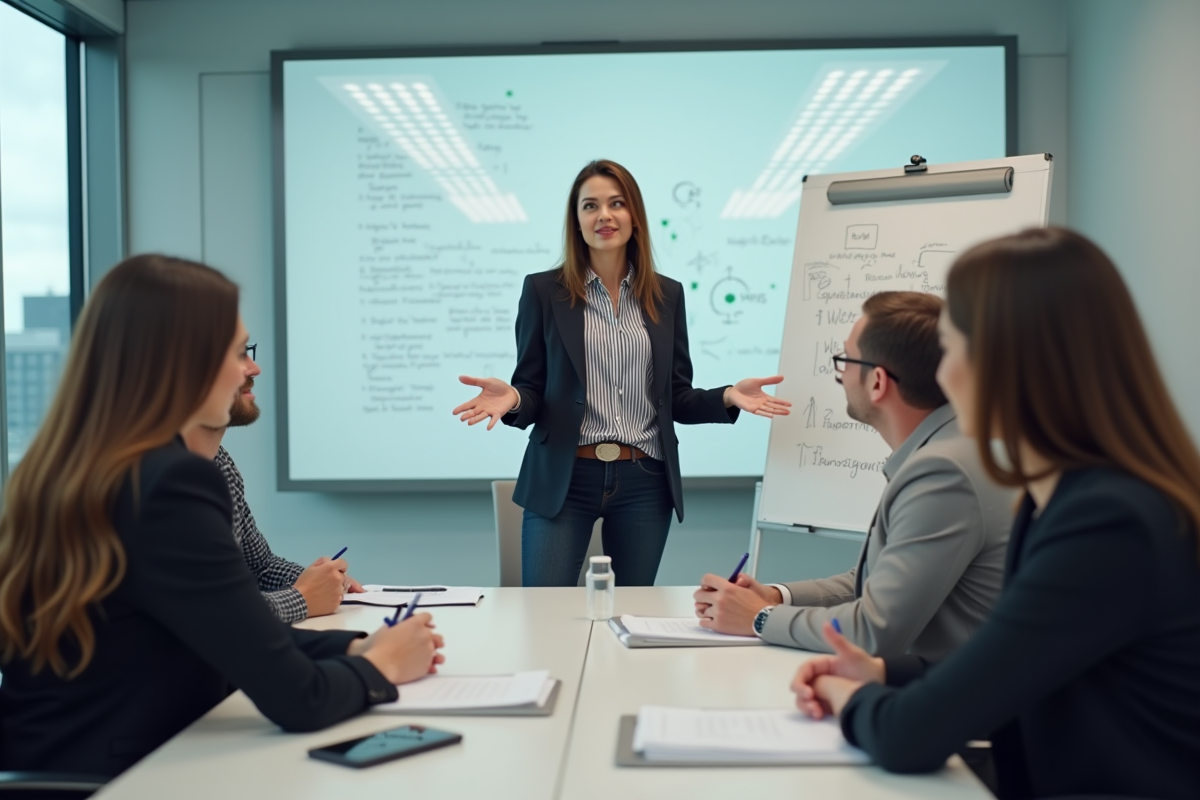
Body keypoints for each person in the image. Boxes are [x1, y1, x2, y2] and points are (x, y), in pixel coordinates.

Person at [792, 228, 1200, 799]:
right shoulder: (1069, 495)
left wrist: (847, 697)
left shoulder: (1109, 520)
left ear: (1005, 360)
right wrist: (884, 674)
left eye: (951, 347)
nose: (943, 374)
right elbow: (1022, 664)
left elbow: (909, 736)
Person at [0, 255, 444, 778]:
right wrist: (382, 665)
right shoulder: (168, 483)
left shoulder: (75, 467)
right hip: (123, 778)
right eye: (237, 353)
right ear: (176, 364)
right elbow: (300, 700)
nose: (252, 368)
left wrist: (354, 642)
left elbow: (215, 633)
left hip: (62, 764)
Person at [452, 159, 791, 587]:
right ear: (576, 221)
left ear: (635, 217)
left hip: (644, 481)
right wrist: (515, 398)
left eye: (616, 204)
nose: (604, 216)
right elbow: (533, 389)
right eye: (590, 206)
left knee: (631, 613)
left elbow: (676, 397)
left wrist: (727, 396)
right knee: (543, 613)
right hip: (564, 476)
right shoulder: (542, 291)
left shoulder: (667, 294)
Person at [693, 292, 1014, 660]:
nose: (841, 374)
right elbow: (872, 584)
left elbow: (874, 631)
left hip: (957, 700)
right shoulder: (949, 447)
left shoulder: (943, 473)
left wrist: (759, 618)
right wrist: (775, 597)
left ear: (878, 382)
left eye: (845, 360)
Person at [181, 343, 365, 621]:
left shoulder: (220, 464)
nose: (255, 368)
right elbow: (208, 613)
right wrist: (303, 598)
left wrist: (316, 581)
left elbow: (259, 568)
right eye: (236, 355)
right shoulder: (151, 483)